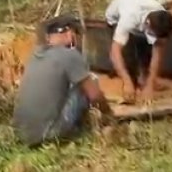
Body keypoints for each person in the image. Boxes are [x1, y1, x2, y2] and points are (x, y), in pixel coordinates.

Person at [13, 15, 112, 146]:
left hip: (21, 134)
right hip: (48, 134)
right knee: (87, 83)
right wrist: (108, 112)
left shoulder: (35, 55)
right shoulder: (70, 55)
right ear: (70, 33)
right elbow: (94, 95)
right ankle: (85, 126)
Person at [104, 0, 172, 104]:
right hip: (115, 19)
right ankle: (129, 86)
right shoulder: (129, 18)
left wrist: (150, 84)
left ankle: (145, 80)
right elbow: (115, 51)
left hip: (141, 12)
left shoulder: (162, 18)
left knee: (147, 54)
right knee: (128, 59)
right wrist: (127, 82)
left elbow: (158, 52)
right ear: (147, 24)